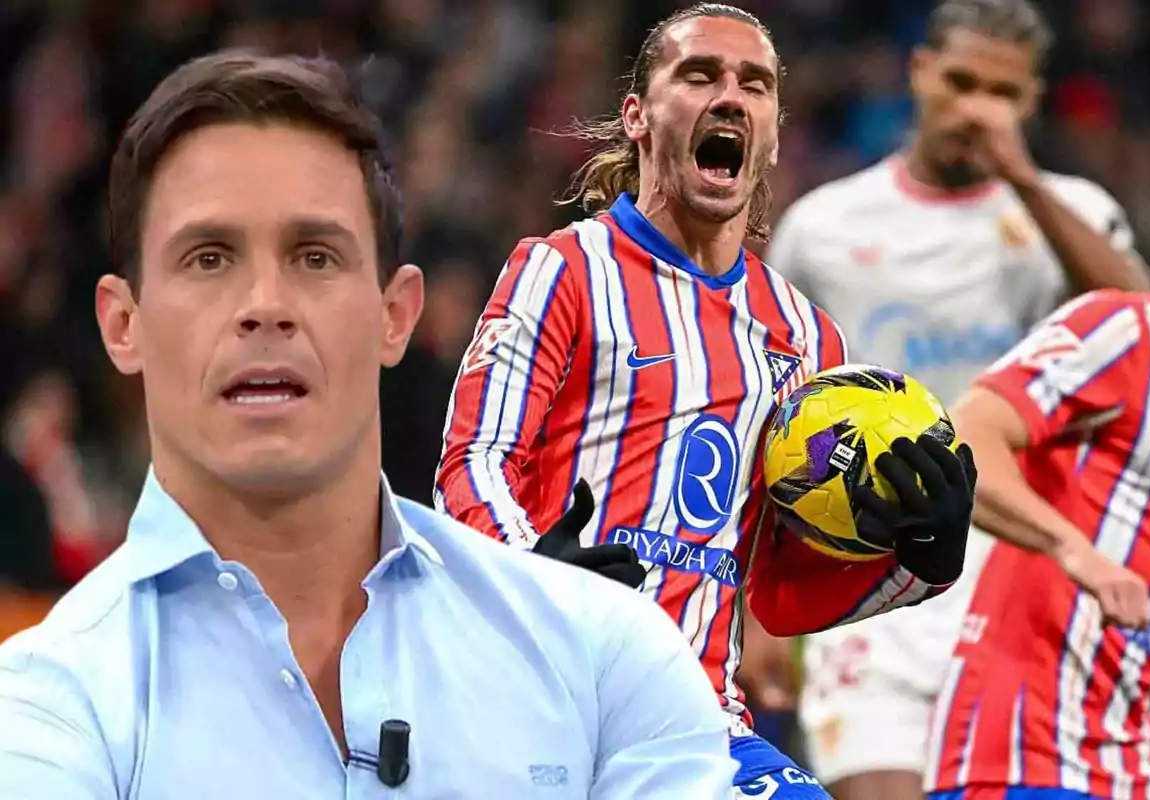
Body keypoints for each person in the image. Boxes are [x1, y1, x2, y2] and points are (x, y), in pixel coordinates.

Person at [0, 50, 742, 799]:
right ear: (123, 324)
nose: (265, 303)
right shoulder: (47, 709)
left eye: (315, 256)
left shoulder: (603, 652)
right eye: (209, 258)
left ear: (396, 316)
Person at [435, 4, 977, 797]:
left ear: (772, 133)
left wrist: (916, 562)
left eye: (754, 84)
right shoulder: (563, 269)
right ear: (639, 118)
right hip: (534, 695)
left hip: (696, 723)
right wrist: (532, 575)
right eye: (700, 75)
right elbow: (471, 461)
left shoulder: (807, 337)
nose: (731, 94)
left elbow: (780, 588)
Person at [764, 1, 1150, 797]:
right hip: (874, 574)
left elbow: (1148, 331)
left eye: (1004, 94)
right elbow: (772, 410)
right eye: (961, 82)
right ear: (919, 73)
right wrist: (752, 609)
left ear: (1034, 102)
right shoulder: (823, 226)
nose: (977, 109)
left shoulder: (1073, 213)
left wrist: (1022, 181)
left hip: (1027, 574)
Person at [926, 190, 1150, 798]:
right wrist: (1075, 550)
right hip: (1025, 751)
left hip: (1131, 755)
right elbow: (965, 435)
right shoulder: (1125, 331)